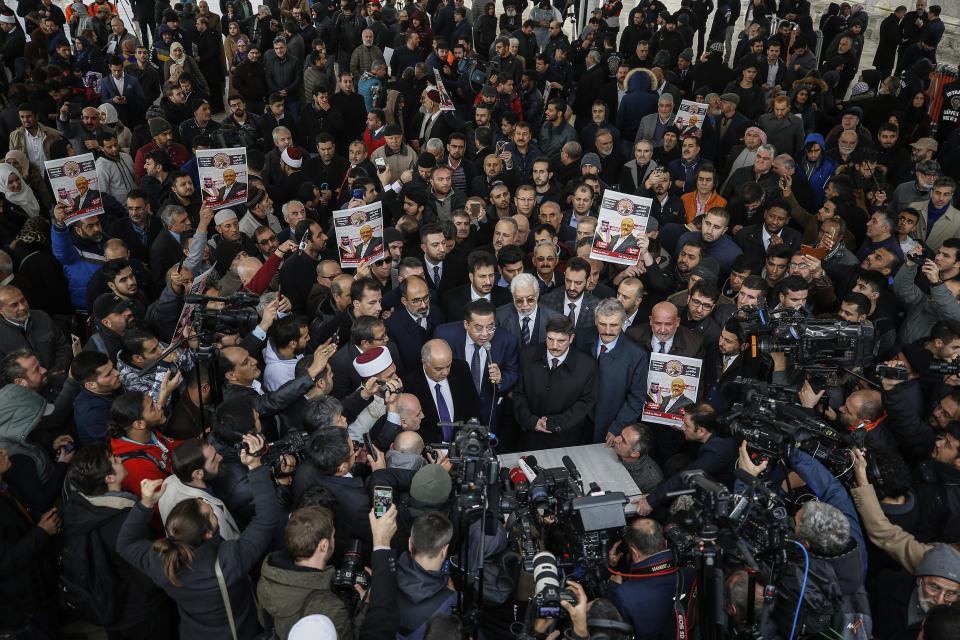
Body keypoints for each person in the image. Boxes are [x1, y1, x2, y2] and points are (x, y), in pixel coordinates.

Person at [117, 433, 281, 639]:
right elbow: (266, 520)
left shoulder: (161, 562)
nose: (208, 504)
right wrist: (256, 467)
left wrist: (145, 504)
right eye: (211, 514)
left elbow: (124, 544)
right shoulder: (229, 561)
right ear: (210, 533)